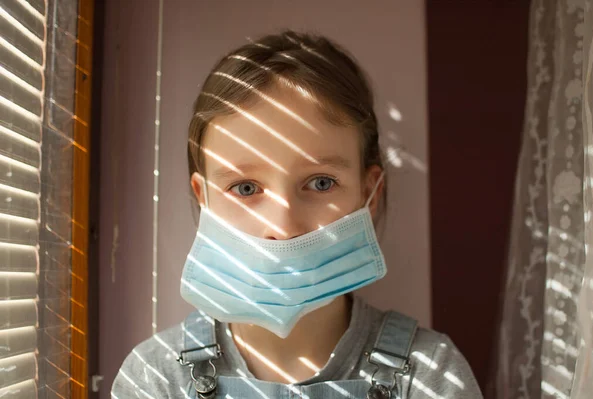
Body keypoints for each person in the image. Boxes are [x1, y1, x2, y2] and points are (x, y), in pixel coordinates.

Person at [111, 30, 483, 399]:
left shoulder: (429, 372)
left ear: (369, 195)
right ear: (204, 198)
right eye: (245, 188)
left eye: (321, 183)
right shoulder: (155, 377)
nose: (283, 228)